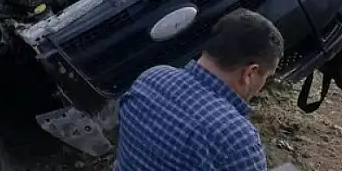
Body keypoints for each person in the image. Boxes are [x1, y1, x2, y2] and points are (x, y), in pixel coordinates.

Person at [114, 9, 284, 171]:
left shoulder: (151, 78)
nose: (262, 87)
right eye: (266, 77)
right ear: (250, 72)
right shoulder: (236, 137)